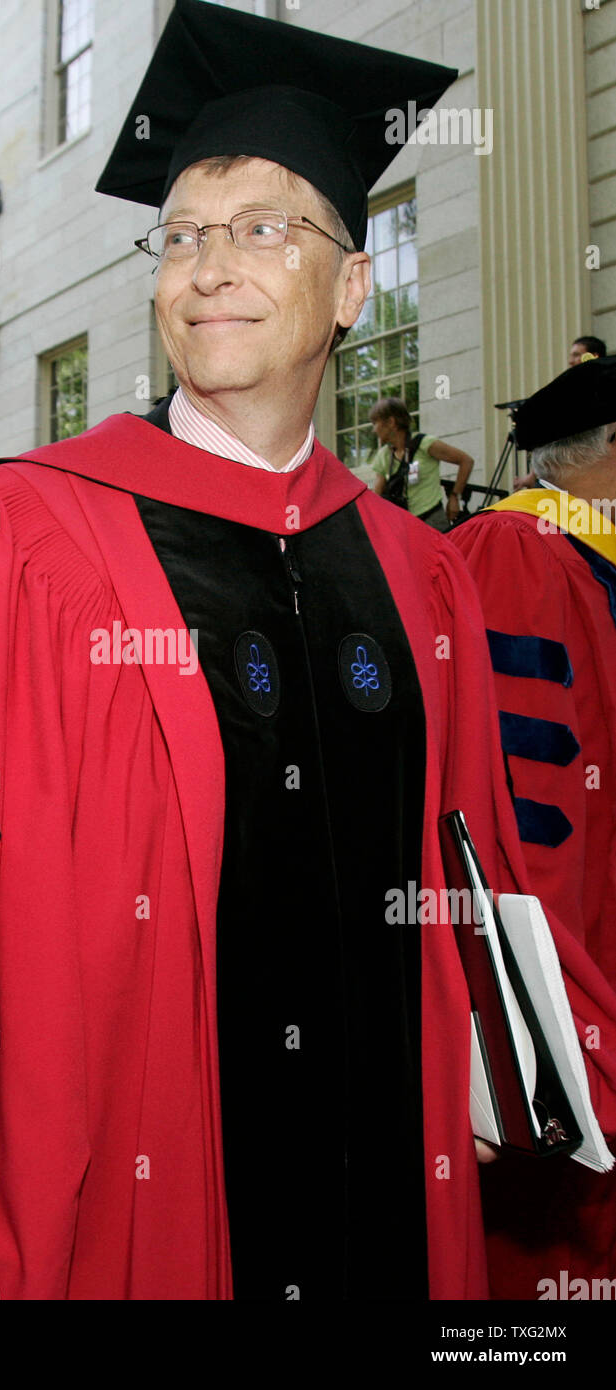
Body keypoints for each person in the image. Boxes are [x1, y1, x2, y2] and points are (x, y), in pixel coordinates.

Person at [0, 0, 616, 1301]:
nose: (208, 266)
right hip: (126, 1205)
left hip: (391, 1189)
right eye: (181, 234)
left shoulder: (422, 577)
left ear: (351, 283)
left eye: (262, 229)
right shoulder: (16, 535)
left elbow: (475, 867)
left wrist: (504, 1046)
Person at [451, 356, 616, 1299]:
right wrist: (561, 1022)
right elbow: (517, 815)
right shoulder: (516, 552)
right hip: (562, 988)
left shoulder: (591, 563)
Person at [513, 335, 607, 491]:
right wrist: (532, 475)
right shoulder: (570, 391)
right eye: (571, 355)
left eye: (576, 355)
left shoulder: (602, 389)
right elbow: (551, 435)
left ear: (593, 356)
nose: (571, 361)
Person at [370, 396, 473, 529]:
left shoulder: (425, 443)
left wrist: (454, 497)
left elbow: (466, 461)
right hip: (403, 526)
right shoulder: (384, 455)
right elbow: (377, 495)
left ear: (390, 422)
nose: (374, 430)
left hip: (431, 520)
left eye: (375, 423)